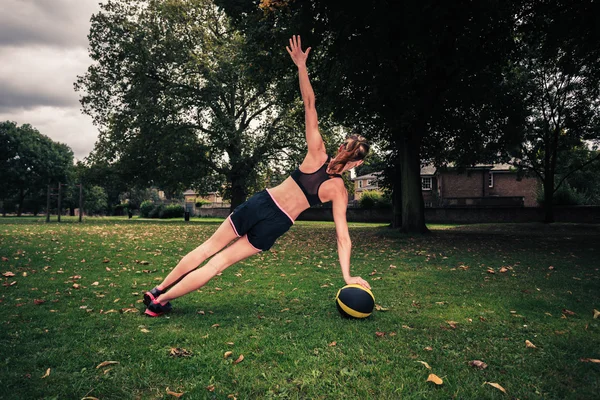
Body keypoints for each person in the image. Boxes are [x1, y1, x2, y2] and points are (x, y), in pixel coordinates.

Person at [144, 35, 371, 317]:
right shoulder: (340, 190)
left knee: (208, 249)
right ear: (358, 163)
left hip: (264, 202)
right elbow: (342, 237)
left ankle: (158, 291)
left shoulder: (317, 152)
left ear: (341, 147)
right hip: (277, 223)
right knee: (217, 265)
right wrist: (348, 276)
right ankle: (158, 303)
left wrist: (301, 65)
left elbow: (309, 103)